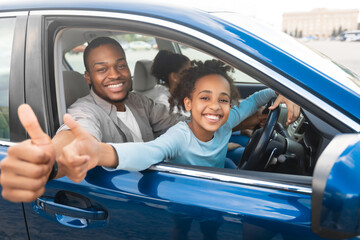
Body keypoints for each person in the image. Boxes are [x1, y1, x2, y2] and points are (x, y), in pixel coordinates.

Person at [0, 55, 300, 203]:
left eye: (223, 100)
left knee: (237, 167)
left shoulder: (143, 103)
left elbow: (255, 100)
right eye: (204, 99)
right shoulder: (179, 135)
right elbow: (147, 151)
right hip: (187, 193)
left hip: (215, 174)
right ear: (188, 102)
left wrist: (282, 92)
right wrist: (91, 152)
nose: (214, 107)